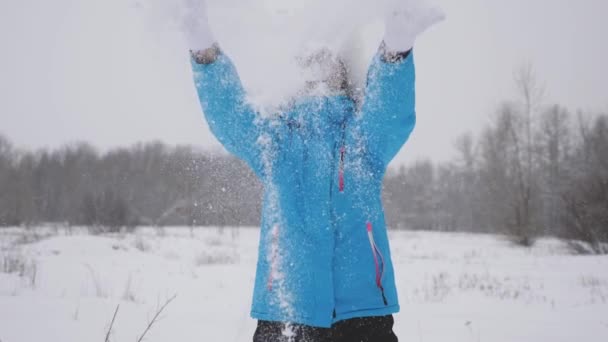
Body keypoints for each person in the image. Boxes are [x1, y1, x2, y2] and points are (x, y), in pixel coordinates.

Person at [182, 1, 444, 341]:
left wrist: (396, 50)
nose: (318, 64)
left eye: (328, 56)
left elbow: (389, 112)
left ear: (346, 71)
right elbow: (230, 113)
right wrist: (202, 46)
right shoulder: (275, 142)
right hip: (287, 310)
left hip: (363, 313)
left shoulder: (363, 139)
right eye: (308, 58)